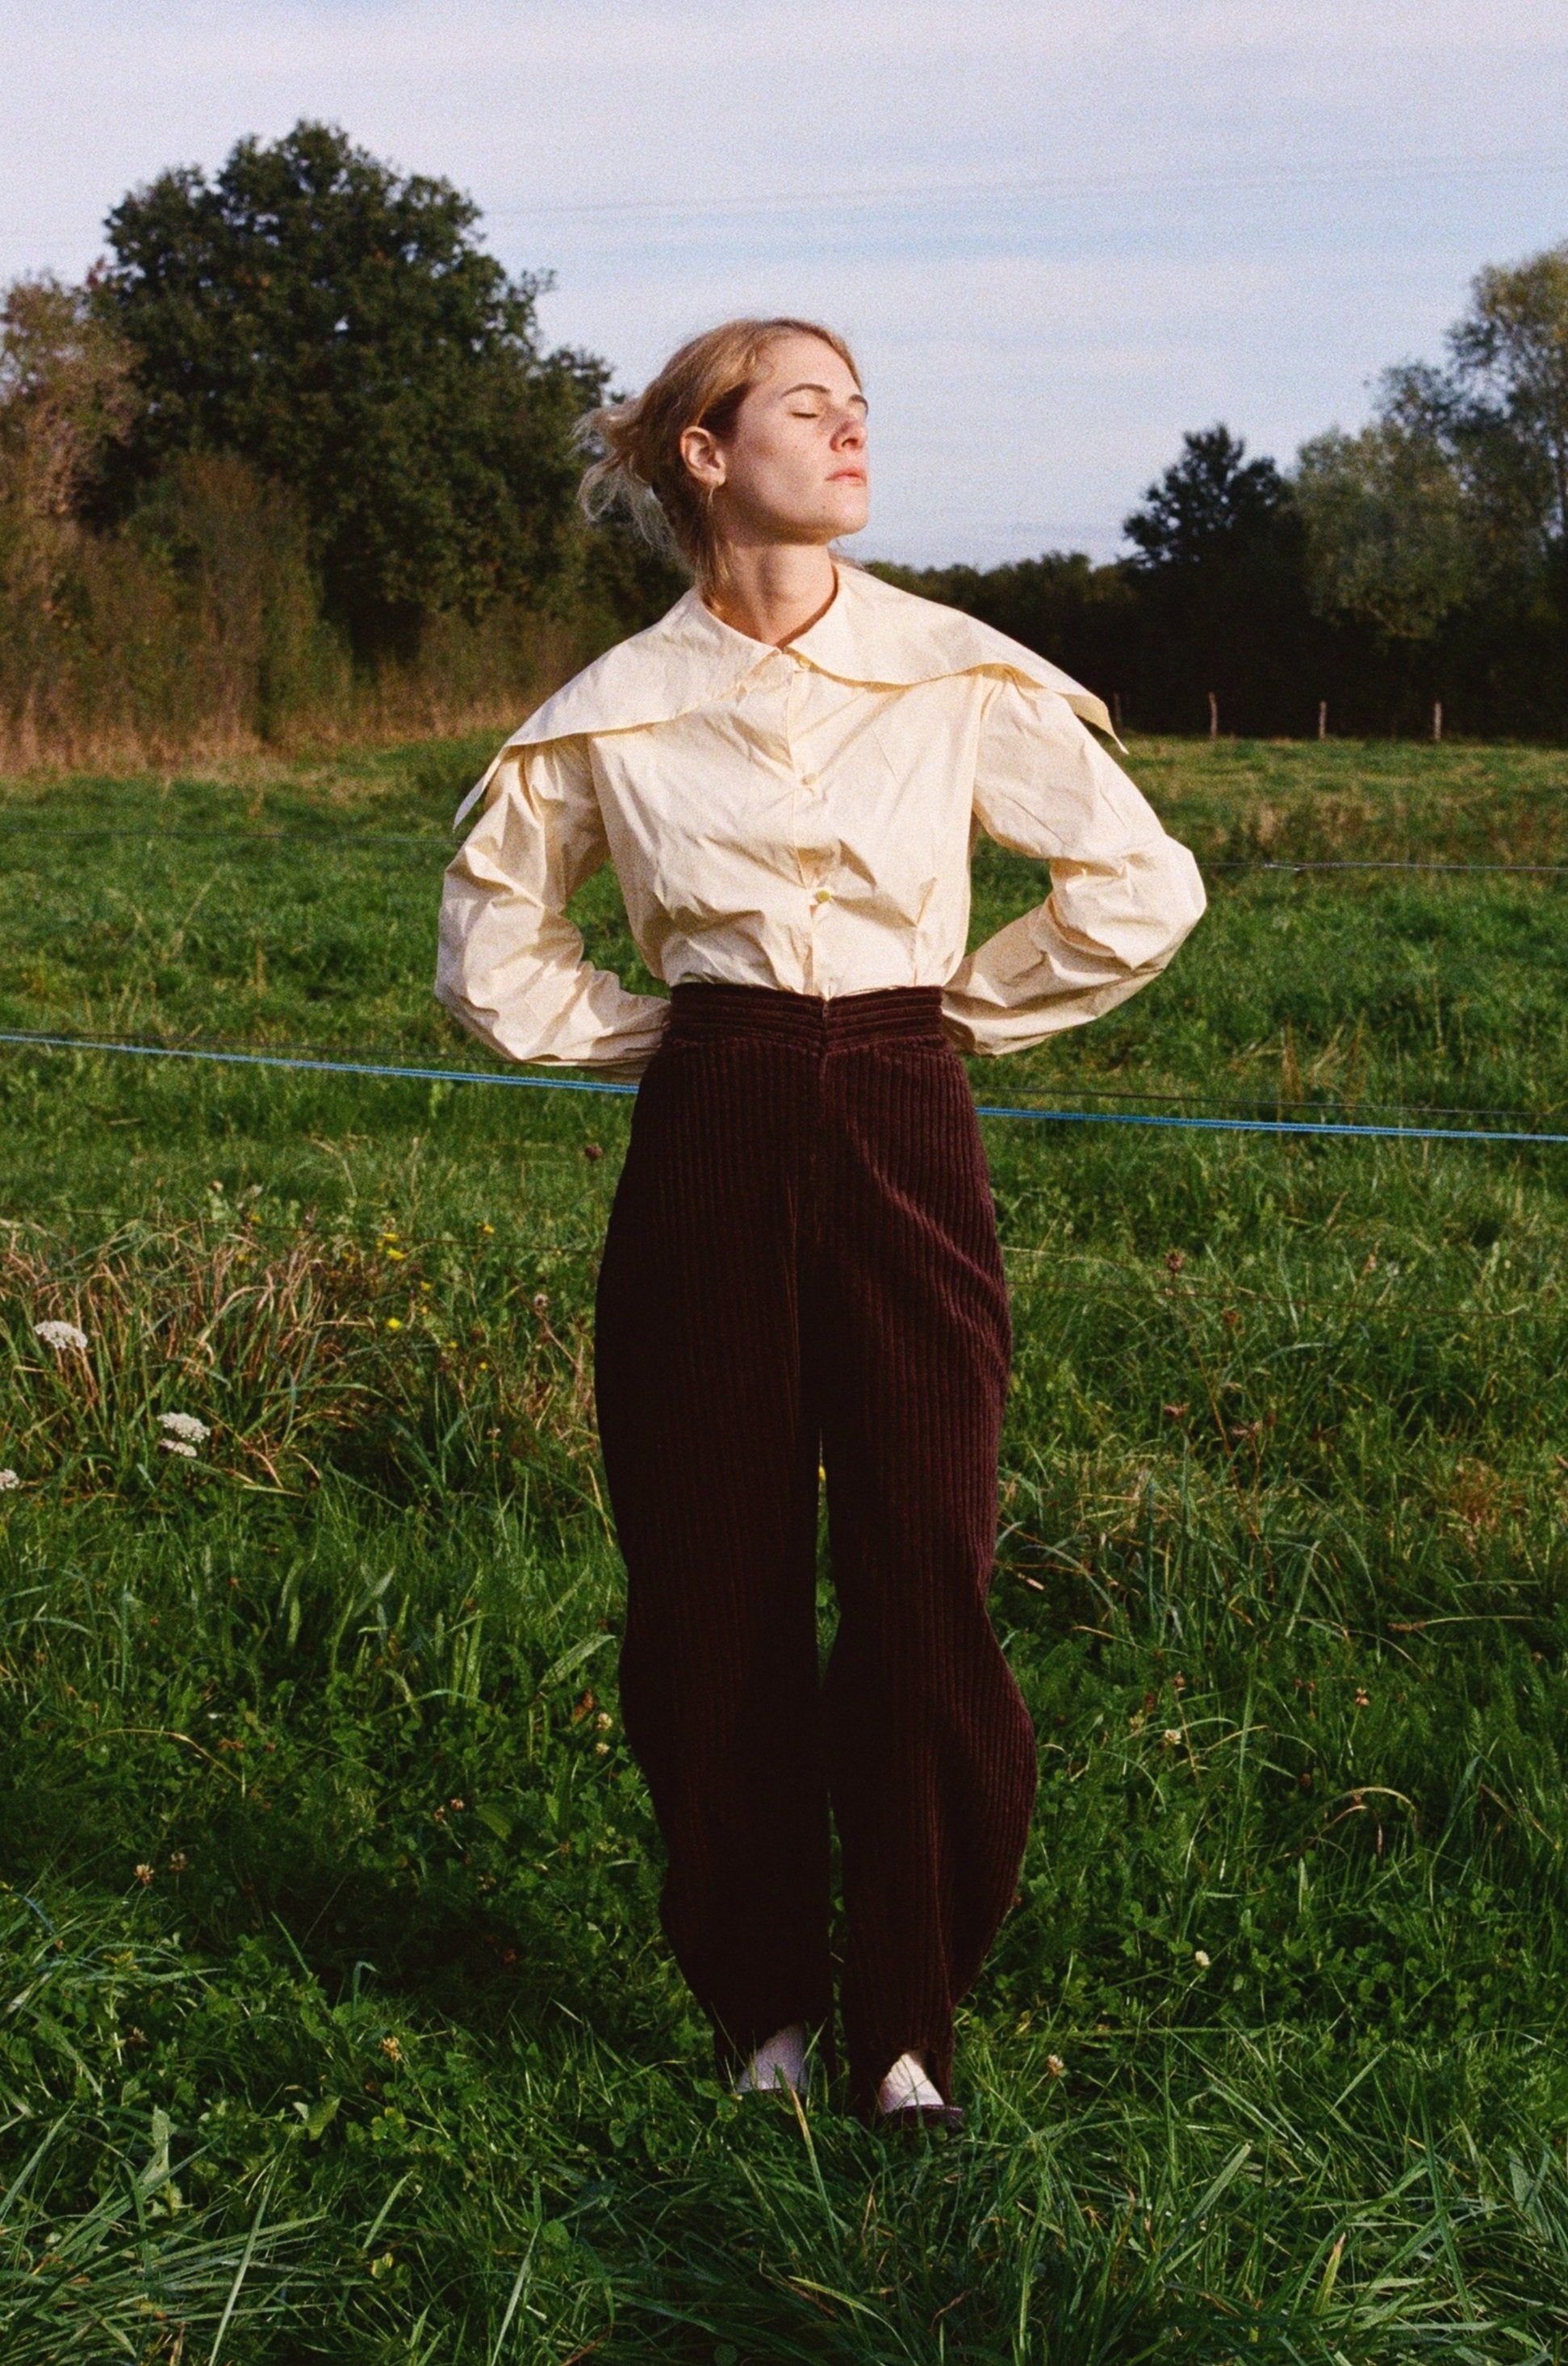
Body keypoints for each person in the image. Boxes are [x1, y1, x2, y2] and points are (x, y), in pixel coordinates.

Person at [435, 317, 1205, 2131]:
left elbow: (1138, 884)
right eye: (807, 404)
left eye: (864, 405)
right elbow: (490, 947)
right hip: (707, 1122)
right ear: (705, 454)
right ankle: (765, 2002)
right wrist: (667, 1036)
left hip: (902, 1115)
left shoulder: (953, 674)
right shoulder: (611, 705)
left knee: (928, 1573)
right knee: (711, 1581)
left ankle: (912, 2020)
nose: (853, 430)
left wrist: (940, 1014)